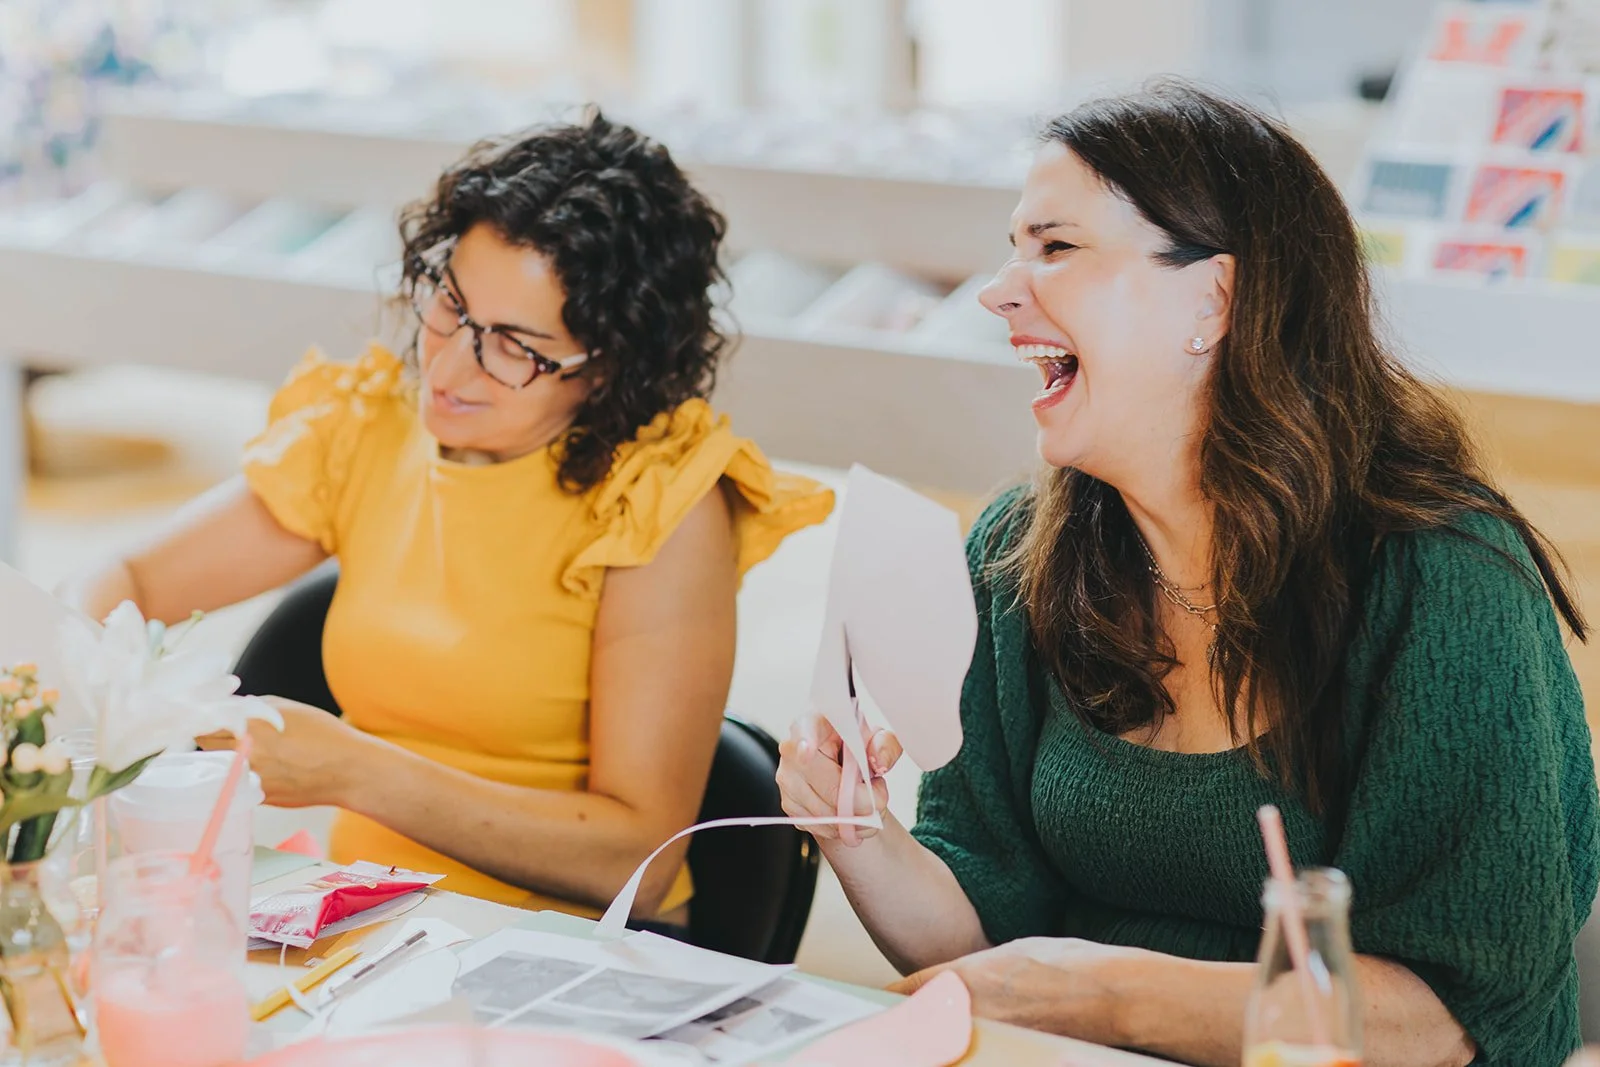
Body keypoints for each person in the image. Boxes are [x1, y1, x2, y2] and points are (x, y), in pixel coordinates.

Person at [777, 81, 1595, 1066]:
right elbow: (983, 943)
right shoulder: (1018, 552)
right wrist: (858, 832)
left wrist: (1108, 993)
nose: (997, 289)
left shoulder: (1440, 578)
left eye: (1055, 246)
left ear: (1214, 298)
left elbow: (1445, 1018)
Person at [71, 111, 833, 921]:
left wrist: (356, 771)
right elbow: (128, 578)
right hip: (365, 920)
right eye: (452, 303)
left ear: (608, 366)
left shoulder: (660, 502)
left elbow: (636, 864)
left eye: (514, 345)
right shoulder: (374, 428)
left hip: (564, 951)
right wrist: (73, 701)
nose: (449, 364)